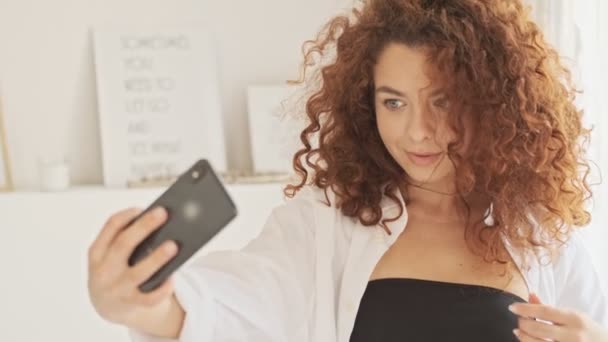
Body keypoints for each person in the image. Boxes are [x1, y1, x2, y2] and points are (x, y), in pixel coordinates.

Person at [87, 0, 608, 341]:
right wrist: (141, 306)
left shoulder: (542, 237)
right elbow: (236, 307)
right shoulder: (328, 226)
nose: (417, 131)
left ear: (490, 103)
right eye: (394, 102)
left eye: (442, 101)